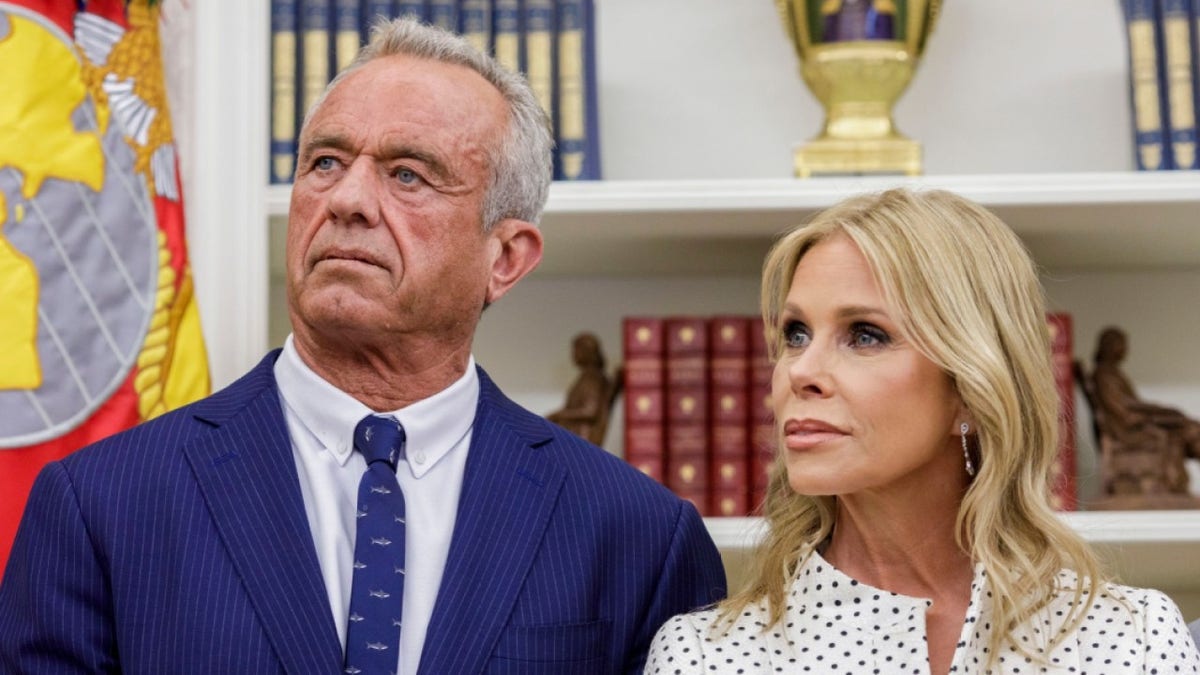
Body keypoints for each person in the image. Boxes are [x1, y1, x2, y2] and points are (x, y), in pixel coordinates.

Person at [0, 18, 726, 674]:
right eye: (324, 162)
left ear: (505, 257)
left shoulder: (638, 538)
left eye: (407, 173)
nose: (346, 199)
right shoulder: (99, 506)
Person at [646, 189, 1200, 674]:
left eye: (864, 335)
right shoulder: (707, 657)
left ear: (971, 386)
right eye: (795, 334)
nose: (801, 372)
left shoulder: (1133, 639)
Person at [1091, 326, 1200, 485]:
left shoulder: (1113, 373)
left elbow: (1131, 403)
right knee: (1189, 429)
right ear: (1110, 346)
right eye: (1121, 344)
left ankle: (1174, 478)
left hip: (1136, 421)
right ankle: (1173, 478)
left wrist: (1161, 411)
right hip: (1128, 427)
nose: (1125, 349)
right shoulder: (1104, 374)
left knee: (1189, 426)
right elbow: (1124, 407)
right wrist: (1159, 412)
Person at [546, 332, 618, 446]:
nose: (573, 355)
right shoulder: (585, 377)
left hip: (582, 438)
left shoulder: (592, 378)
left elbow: (590, 411)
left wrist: (558, 415)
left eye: (576, 350)